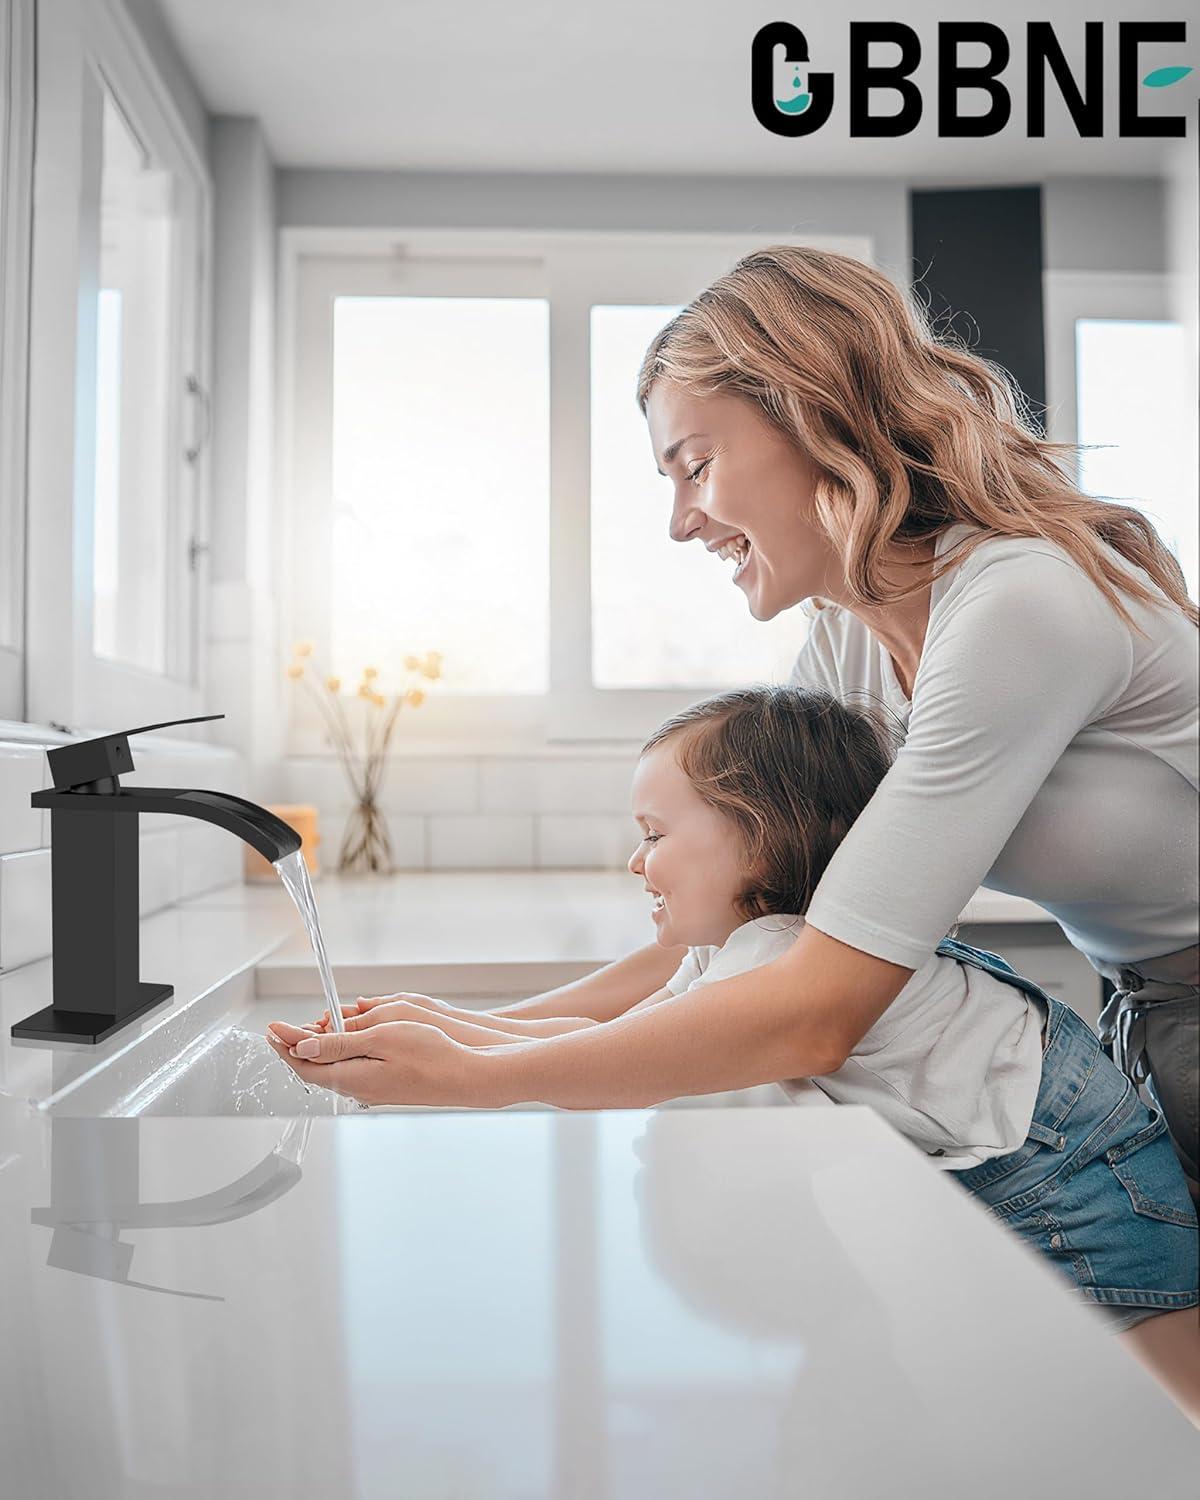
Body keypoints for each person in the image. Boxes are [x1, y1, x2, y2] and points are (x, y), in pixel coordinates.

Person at [266, 242, 1198, 1387]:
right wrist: (480, 1025)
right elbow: (756, 939)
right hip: (1146, 1004)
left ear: (815, 418)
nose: (680, 520)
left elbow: (811, 1012)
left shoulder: (1017, 603)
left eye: (693, 465)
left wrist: (475, 1073)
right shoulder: (858, 628)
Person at [268, 684, 1199, 1419]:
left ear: (760, 837)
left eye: (655, 835)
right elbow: (620, 1042)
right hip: (1057, 1175)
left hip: (1086, 1203)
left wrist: (469, 1073)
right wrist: (449, 1024)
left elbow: (636, 1065)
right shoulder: (749, 948)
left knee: (1163, 1431)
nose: (638, 862)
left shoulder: (788, 956)